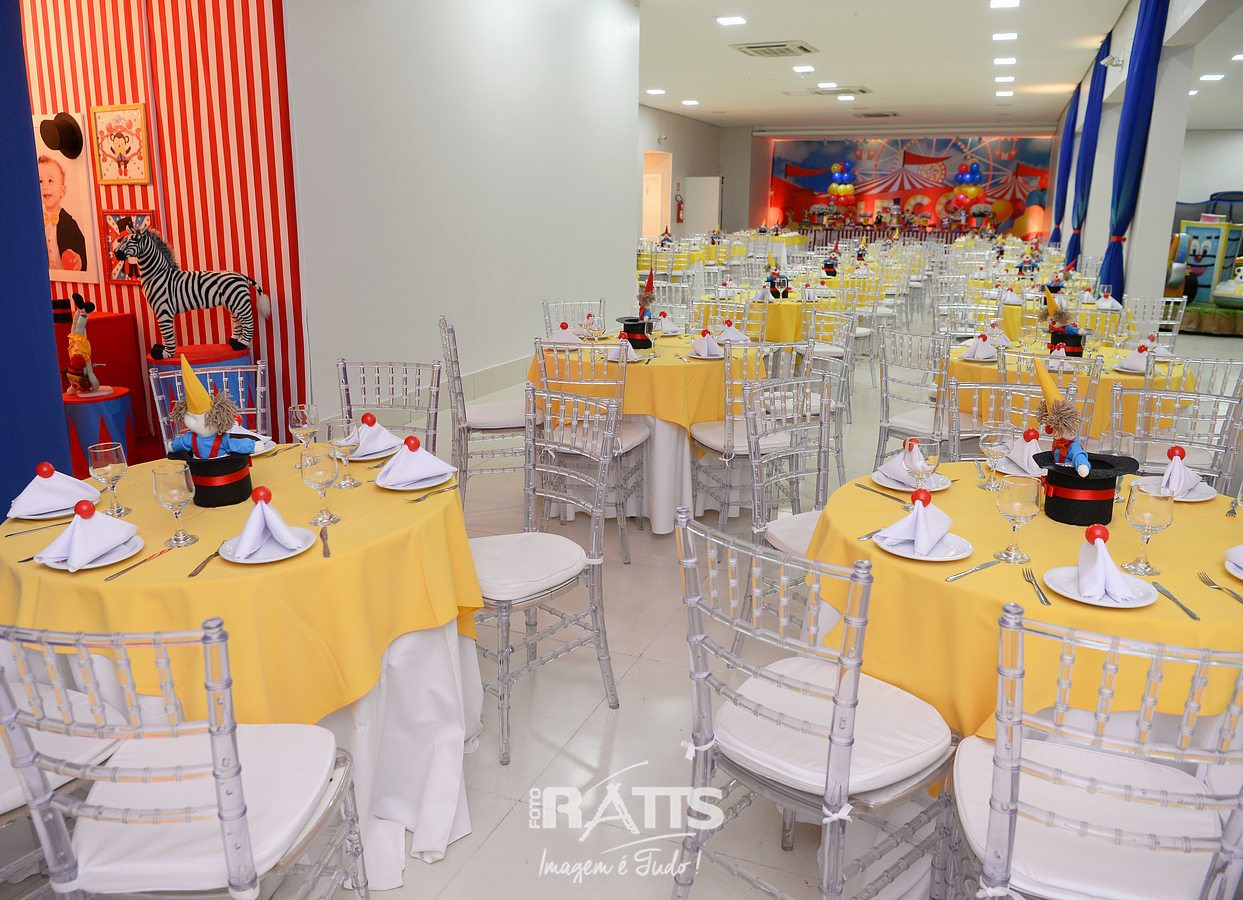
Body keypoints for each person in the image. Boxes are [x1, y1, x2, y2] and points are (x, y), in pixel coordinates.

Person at [38, 155, 87, 272]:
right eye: (40, 181)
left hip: (66, 277)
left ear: (62, 191)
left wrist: (79, 260)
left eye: (50, 181)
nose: (45, 186)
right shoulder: (35, 223)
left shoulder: (70, 224)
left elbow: (81, 249)